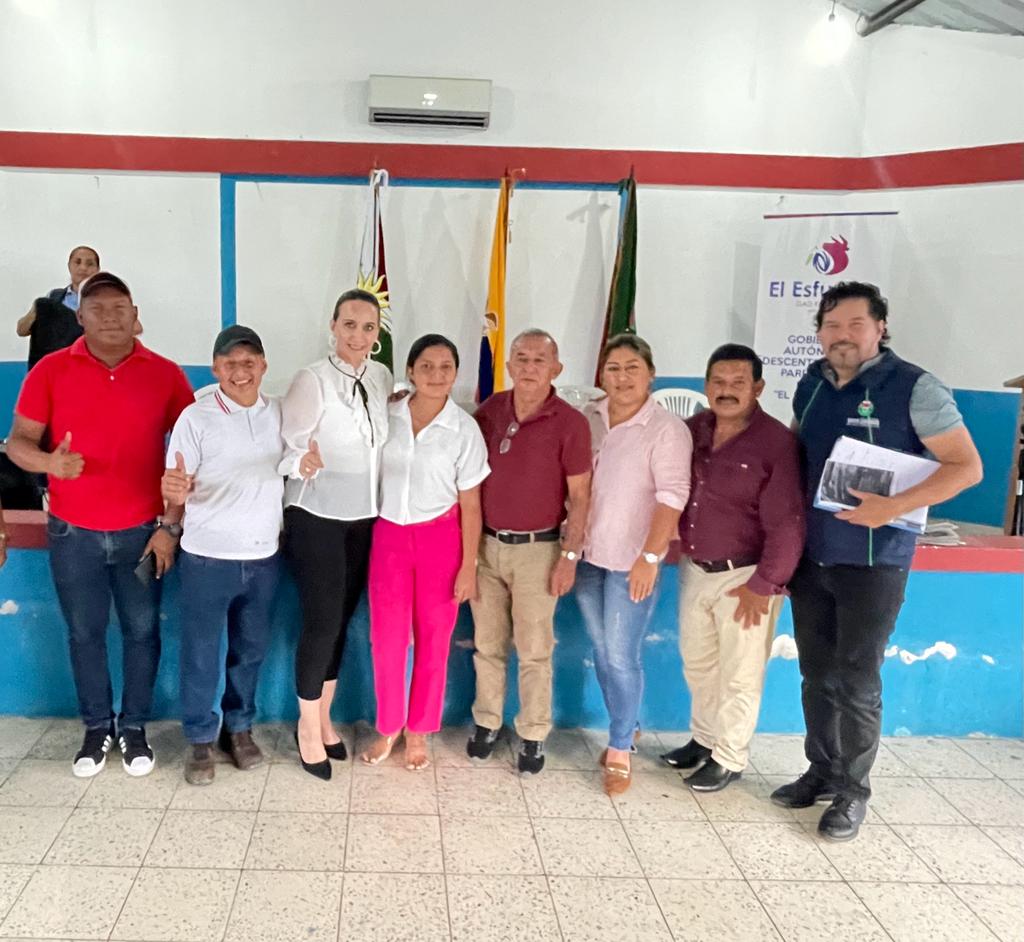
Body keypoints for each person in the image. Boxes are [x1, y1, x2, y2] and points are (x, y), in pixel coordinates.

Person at [770, 282, 982, 841]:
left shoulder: (915, 387)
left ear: (880, 327)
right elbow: (797, 454)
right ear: (819, 332)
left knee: (857, 680)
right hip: (813, 557)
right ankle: (821, 770)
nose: (842, 335)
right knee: (816, 674)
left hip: (875, 563)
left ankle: (853, 791)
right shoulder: (811, 384)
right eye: (831, 325)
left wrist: (893, 506)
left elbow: (966, 467)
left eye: (855, 324)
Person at [7, 271, 194, 778]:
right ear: (80, 317)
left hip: (142, 533)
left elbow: (193, 450)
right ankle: (96, 729)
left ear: (136, 316)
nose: (110, 317)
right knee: (84, 634)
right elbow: (18, 442)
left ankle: (134, 728)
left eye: (119, 308)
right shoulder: (50, 370)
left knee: (141, 632)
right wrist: (50, 463)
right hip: (73, 533)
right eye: (97, 309)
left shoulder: (166, 374)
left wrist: (170, 526)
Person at [662, 344, 804, 792]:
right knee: (699, 664)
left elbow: (788, 523)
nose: (727, 391)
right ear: (706, 386)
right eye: (718, 382)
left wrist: (765, 584)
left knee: (740, 674)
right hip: (695, 568)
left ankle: (729, 757)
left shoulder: (776, 443)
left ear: (757, 388)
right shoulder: (693, 431)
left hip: (747, 576)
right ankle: (704, 740)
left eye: (738, 383)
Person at [161, 325, 283, 786]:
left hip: (264, 557)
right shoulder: (196, 418)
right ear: (216, 369)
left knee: (249, 652)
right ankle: (199, 738)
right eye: (230, 363)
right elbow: (175, 484)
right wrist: (171, 502)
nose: (240, 371)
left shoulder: (280, 413)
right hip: (207, 558)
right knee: (201, 654)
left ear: (263, 366)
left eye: (249, 362)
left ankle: (239, 729)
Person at [466, 329, 592, 775]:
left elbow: (581, 497)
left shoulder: (571, 423)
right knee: (487, 644)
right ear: (508, 365)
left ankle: (533, 733)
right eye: (521, 358)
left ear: (556, 369)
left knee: (535, 649)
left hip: (540, 550)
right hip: (486, 546)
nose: (529, 367)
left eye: (540, 360)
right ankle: (487, 722)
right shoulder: (490, 411)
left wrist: (570, 556)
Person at [360, 335, 489, 770]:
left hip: (441, 540)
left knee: (434, 641)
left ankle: (419, 731)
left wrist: (468, 566)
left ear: (456, 374)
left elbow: (471, 504)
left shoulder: (464, 429)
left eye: (446, 367)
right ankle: (389, 726)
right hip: (389, 539)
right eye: (427, 366)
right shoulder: (387, 416)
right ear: (410, 371)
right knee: (387, 640)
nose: (436, 375)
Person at [279, 288, 391, 780]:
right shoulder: (312, 379)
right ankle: (306, 730)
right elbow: (287, 447)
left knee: (342, 621)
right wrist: (301, 461)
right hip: (316, 514)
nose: (358, 336)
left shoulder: (381, 377)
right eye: (349, 325)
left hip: (364, 517)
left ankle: (324, 719)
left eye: (368, 327)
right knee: (321, 622)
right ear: (333, 326)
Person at [575, 334, 692, 795]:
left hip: (632, 561)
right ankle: (629, 724)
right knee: (603, 650)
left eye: (632, 368)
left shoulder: (666, 429)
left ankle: (620, 747)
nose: (622, 377)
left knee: (621, 655)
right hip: (587, 555)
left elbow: (672, 496)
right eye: (613, 368)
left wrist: (650, 557)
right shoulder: (590, 417)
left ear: (650, 375)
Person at [16, 246, 99, 369]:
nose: (83, 268)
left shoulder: (106, 301)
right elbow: (21, 331)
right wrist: (36, 309)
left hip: (89, 367)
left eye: (90, 264)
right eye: (77, 262)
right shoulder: (53, 298)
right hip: (54, 369)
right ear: (69, 266)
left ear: (97, 270)